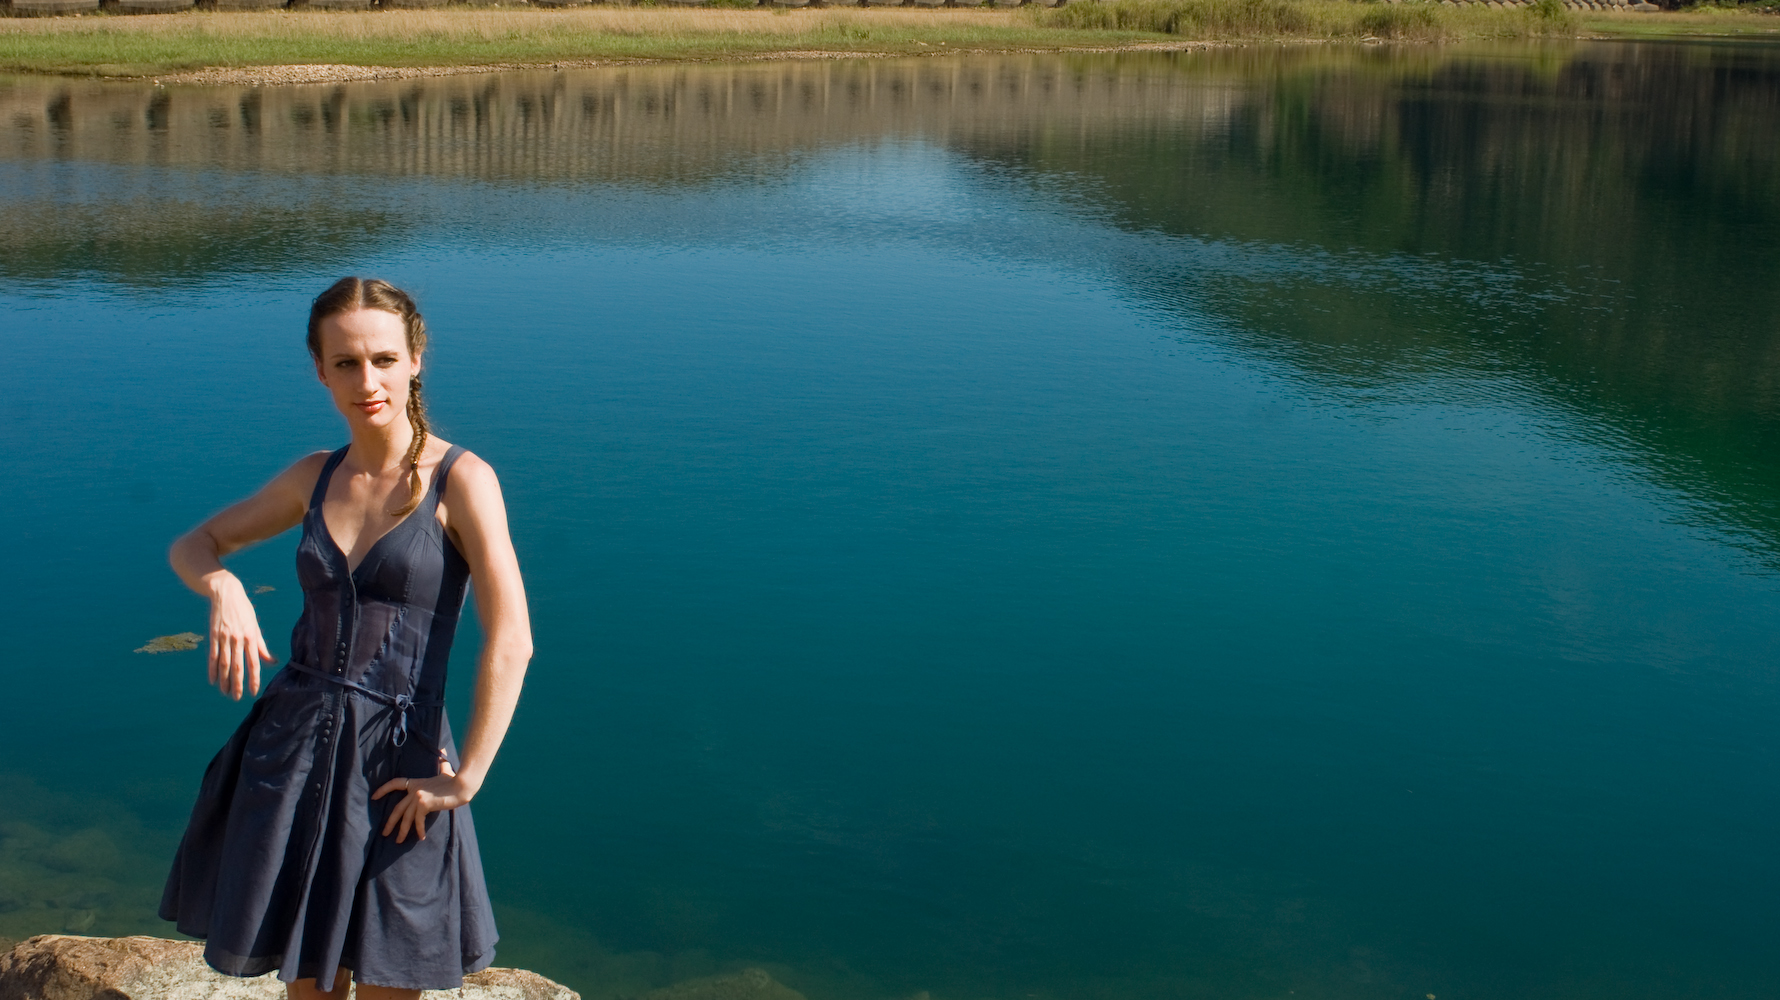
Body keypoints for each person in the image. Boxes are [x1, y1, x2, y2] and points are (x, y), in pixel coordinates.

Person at [159, 278, 532, 1000]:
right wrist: (224, 588)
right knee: (308, 989)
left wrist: (467, 777)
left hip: (400, 768)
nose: (368, 382)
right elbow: (194, 544)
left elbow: (511, 637)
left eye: (384, 360)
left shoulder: (462, 480)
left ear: (416, 359)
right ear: (320, 370)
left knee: (393, 977)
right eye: (346, 363)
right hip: (289, 756)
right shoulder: (315, 476)